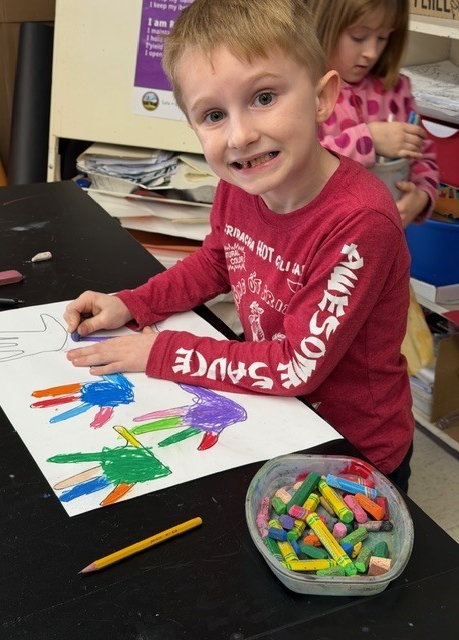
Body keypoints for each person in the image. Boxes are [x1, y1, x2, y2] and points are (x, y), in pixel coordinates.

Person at [64, 0, 414, 490]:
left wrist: (162, 352)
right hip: (281, 424)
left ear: (322, 98)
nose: (241, 135)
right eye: (213, 115)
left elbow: (295, 364)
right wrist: (132, 303)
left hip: (351, 452)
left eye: (264, 97)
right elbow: (217, 261)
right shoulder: (243, 182)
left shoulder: (360, 222)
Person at [305, 0, 439, 227]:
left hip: (384, 237)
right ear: (324, 25)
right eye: (358, 36)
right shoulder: (306, 92)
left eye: (383, 37)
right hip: (323, 239)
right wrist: (368, 140)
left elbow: (423, 156)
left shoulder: (397, 90)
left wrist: (422, 196)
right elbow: (300, 163)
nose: (371, 52)